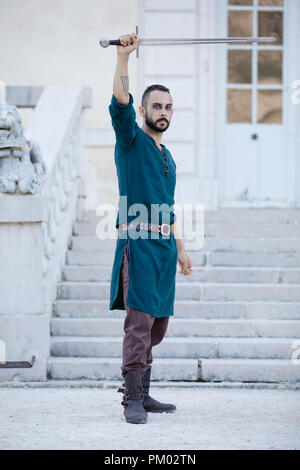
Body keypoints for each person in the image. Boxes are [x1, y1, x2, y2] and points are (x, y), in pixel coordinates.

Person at [108, 32, 193, 424]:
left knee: (157, 326)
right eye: (156, 106)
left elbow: (169, 207)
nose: (163, 111)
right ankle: (131, 399)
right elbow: (119, 104)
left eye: (169, 107)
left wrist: (183, 249)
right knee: (139, 324)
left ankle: (144, 390)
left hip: (164, 250)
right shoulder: (131, 141)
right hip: (138, 246)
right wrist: (124, 59)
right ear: (143, 110)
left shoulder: (167, 156)